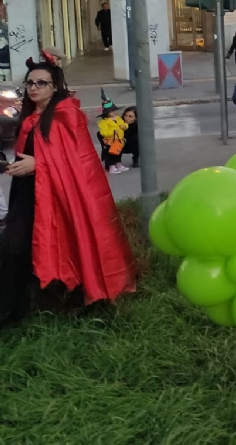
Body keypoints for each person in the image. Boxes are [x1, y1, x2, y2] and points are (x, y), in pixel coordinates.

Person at [0, 62, 137, 326]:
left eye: (42, 83)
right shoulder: (29, 118)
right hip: (29, 194)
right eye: (30, 83)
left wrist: (39, 164)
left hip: (61, 197)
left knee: (53, 245)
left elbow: (78, 161)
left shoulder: (66, 116)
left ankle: (58, 302)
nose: (34, 88)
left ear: (55, 87)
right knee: (16, 248)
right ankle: (20, 306)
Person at [97, 101, 128, 174]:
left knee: (118, 152)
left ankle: (118, 163)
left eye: (115, 110)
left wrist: (125, 126)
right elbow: (103, 132)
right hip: (110, 140)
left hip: (119, 139)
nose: (114, 112)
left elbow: (124, 124)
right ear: (106, 113)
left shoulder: (118, 118)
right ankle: (111, 166)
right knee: (110, 153)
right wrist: (112, 132)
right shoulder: (104, 122)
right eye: (112, 111)